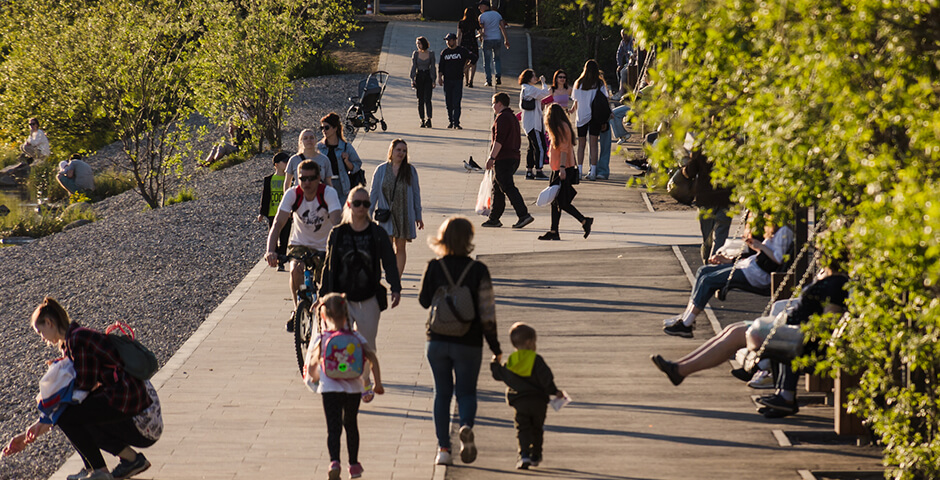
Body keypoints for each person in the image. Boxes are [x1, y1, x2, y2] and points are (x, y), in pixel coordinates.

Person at [651, 267, 848, 418]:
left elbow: (828, 322)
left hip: (801, 338)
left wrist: (792, 327)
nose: (820, 252)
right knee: (732, 330)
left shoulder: (836, 284)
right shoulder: (828, 278)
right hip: (789, 328)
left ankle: (681, 370)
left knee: (737, 334)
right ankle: (680, 367)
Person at [2, 298, 153, 480]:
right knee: (74, 414)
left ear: (49, 322)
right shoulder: (73, 340)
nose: (42, 338)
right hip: (128, 399)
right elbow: (80, 390)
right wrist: (39, 425)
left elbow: (84, 385)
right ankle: (121, 463)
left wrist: (48, 420)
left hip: (129, 402)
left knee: (69, 416)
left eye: (40, 331)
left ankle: (99, 471)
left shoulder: (78, 339)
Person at [419, 216, 502, 466]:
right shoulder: (478, 270)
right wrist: (495, 348)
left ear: (443, 238)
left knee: (441, 394)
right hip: (469, 341)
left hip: (437, 341)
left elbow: (424, 301)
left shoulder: (434, 266)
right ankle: (465, 425)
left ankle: (443, 449)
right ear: (469, 239)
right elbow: (487, 313)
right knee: (466, 392)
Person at [320, 186, 402, 392]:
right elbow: (329, 266)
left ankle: (364, 380)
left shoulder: (377, 233)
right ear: (349, 204)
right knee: (340, 342)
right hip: (341, 301)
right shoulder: (338, 233)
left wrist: (396, 287)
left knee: (367, 345)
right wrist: (323, 296)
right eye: (357, 203)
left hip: (368, 298)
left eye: (366, 204)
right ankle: (344, 381)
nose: (361, 207)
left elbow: (390, 261)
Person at [662, 219, 795, 338]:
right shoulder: (776, 229)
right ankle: (686, 317)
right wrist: (732, 258)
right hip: (750, 266)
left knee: (708, 280)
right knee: (703, 270)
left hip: (758, 275)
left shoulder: (785, 231)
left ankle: (686, 324)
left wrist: (760, 246)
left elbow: (778, 258)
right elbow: (765, 254)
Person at [305, 293, 384, 480]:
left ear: (324, 315)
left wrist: (315, 379)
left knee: (333, 428)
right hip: (353, 389)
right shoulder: (355, 336)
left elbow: (313, 365)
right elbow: (372, 357)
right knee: (351, 425)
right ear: (347, 312)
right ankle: (354, 465)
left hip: (330, 388)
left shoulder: (323, 338)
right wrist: (376, 383)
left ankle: (334, 462)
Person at [265, 160, 343, 331]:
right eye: (302, 178)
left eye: (311, 178)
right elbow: (278, 224)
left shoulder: (328, 193)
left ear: (319, 178)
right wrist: (271, 251)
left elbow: (337, 220)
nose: (307, 183)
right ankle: (297, 308)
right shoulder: (293, 194)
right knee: (295, 269)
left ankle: (324, 312)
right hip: (300, 243)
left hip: (325, 245)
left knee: (327, 283)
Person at [490, 322, 562, 470]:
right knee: (537, 428)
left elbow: (499, 375)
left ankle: (524, 455)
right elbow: (546, 378)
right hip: (538, 402)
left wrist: (494, 362)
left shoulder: (512, 361)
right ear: (529, 342)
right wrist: (554, 391)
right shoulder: (536, 360)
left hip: (520, 401)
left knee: (522, 428)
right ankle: (536, 454)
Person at [369, 139, 424, 279]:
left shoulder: (410, 171)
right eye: (398, 150)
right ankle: (390, 269)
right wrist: (367, 214)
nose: (401, 153)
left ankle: (396, 278)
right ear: (391, 151)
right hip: (386, 214)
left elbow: (416, 194)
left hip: (404, 214)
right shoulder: (381, 170)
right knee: (386, 248)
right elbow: (373, 193)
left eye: (404, 151)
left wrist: (418, 215)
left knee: (401, 247)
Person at [538, 104, 592, 241]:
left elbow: (563, 150)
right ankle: (554, 231)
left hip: (562, 169)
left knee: (561, 202)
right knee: (556, 202)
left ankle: (584, 220)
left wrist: (562, 168)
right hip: (559, 168)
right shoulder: (563, 126)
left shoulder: (561, 128)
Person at [482, 93, 535, 229]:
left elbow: (499, 140)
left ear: (500, 103)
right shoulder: (511, 116)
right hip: (512, 157)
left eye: (493, 103)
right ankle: (494, 218)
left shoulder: (502, 118)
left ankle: (523, 215)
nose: (492, 106)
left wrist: (491, 157)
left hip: (504, 158)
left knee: (508, 187)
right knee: (498, 188)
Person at [683, 150, 734, 264]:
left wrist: (687, 163)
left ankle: (708, 262)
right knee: (721, 235)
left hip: (706, 198)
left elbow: (689, 172)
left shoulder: (701, 148)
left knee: (707, 237)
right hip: (725, 197)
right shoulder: (732, 145)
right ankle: (714, 263)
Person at [569, 59, 610, 181]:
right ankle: (593, 171)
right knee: (593, 145)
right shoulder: (599, 83)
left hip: (581, 117)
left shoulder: (578, 83)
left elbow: (575, 100)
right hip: (594, 116)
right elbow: (605, 99)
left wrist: (572, 110)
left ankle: (580, 170)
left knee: (581, 145)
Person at [317, 112, 363, 203]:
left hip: (342, 186)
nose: (324, 130)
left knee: (342, 214)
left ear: (335, 128)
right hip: (324, 185)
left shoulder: (346, 147)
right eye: (322, 128)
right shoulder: (319, 148)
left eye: (326, 127)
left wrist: (347, 162)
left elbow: (357, 165)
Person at [258, 152, 292, 271]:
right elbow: (266, 196)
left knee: (284, 238)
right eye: (285, 162)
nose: (287, 164)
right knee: (274, 236)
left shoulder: (290, 180)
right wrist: (262, 213)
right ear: (276, 164)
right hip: (273, 213)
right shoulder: (269, 179)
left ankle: (281, 261)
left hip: (287, 213)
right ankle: (276, 256)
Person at [438, 33, 476, 130]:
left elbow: (474, 57)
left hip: (458, 80)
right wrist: (439, 77)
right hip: (447, 80)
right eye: (446, 40)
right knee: (448, 102)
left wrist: (467, 67)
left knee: (456, 102)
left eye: (449, 40)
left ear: (454, 40)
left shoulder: (461, 51)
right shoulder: (444, 52)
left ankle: (456, 122)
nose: (448, 42)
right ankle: (450, 121)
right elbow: (441, 66)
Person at [518, 69, 550, 180]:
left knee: (531, 148)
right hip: (534, 124)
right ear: (528, 78)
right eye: (533, 76)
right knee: (541, 147)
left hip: (530, 123)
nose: (535, 78)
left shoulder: (525, 89)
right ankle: (539, 170)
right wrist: (543, 83)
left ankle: (529, 171)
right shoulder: (530, 89)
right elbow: (545, 94)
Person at [477, 0, 509, 87]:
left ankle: (489, 80)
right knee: (497, 59)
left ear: (486, 6)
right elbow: (502, 27)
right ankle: (498, 76)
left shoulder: (481, 17)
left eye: (481, 6)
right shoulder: (497, 15)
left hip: (487, 40)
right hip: (497, 39)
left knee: (487, 61)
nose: (479, 8)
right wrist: (506, 39)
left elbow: (482, 30)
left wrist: (480, 38)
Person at [411, 37, 437, 129]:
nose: (418, 45)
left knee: (428, 99)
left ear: (424, 44)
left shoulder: (431, 54)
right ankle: (422, 119)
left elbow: (433, 67)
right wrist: (412, 78)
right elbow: (414, 67)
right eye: (417, 44)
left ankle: (429, 119)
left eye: (420, 44)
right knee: (420, 99)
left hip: (427, 76)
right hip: (419, 76)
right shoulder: (416, 54)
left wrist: (433, 80)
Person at [456, 8, 480, 88]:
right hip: (472, 43)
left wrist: (458, 45)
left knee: (465, 61)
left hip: (464, 43)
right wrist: (477, 36)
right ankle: (471, 80)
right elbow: (481, 32)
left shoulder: (461, 22)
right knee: (473, 61)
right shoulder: (475, 23)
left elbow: (459, 35)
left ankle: (466, 80)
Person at [614, 29, 635, 99]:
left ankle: (622, 92)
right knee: (619, 71)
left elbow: (634, 53)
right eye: (623, 35)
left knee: (624, 72)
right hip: (628, 63)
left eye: (625, 34)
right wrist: (619, 64)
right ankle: (621, 89)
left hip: (634, 63)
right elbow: (619, 54)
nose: (624, 37)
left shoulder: (633, 41)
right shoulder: (622, 42)